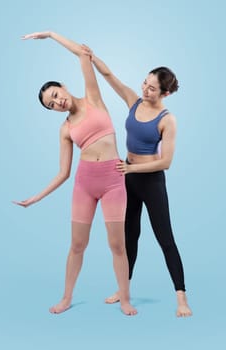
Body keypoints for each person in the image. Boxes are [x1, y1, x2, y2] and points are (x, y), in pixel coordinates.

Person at [13, 31, 137, 316]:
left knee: (117, 244)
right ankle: (67, 297)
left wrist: (50, 35)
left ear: (64, 88)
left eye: (56, 95)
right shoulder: (65, 130)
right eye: (51, 104)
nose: (57, 103)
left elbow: (83, 54)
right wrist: (35, 198)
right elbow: (63, 173)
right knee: (77, 245)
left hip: (113, 180)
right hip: (84, 183)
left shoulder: (93, 97)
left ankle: (126, 299)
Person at [82, 46, 192, 317]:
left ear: (165, 93)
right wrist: (92, 58)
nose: (145, 89)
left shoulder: (168, 120)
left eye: (153, 88)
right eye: (146, 82)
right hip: (127, 178)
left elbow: (166, 162)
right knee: (129, 235)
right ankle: (123, 289)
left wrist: (131, 170)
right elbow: (110, 77)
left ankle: (181, 299)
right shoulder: (134, 101)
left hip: (151, 181)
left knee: (165, 238)